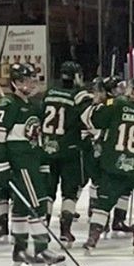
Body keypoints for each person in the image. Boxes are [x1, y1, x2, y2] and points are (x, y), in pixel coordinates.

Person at [0, 63, 66, 266]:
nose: (30, 83)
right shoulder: (9, 104)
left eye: (32, 79)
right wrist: (0, 165)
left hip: (31, 163)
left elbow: (36, 139)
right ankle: (41, 250)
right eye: (25, 80)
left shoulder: (32, 105)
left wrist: (42, 163)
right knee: (38, 205)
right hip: (20, 165)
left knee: (22, 208)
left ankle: (20, 253)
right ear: (15, 82)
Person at [81, 74, 134, 254]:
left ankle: (92, 238)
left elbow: (90, 119)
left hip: (113, 165)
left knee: (104, 202)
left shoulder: (117, 105)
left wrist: (99, 102)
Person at [41, 61, 93, 246]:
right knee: (69, 193)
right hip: (70, 151)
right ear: (76, 76)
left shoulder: (49, 93)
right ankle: (65, 231)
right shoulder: (79, 95)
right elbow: (90, 120)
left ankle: (44, 229)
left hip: (47, 150)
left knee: (47, 192)